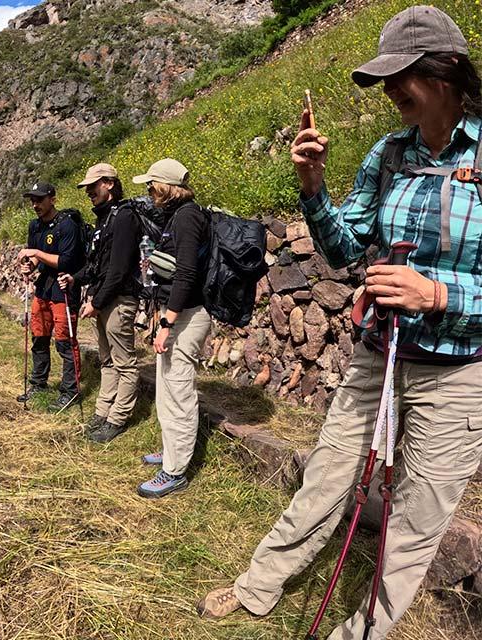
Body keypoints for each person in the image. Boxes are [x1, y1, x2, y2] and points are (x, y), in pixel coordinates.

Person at [198, 8, 482, 640]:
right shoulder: (387, 154)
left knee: (416, 517)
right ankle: (260, 585)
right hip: (378, 353)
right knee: (326, 475)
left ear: (445, 72)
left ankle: (361, 632)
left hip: (459, 370)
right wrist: (312, 186)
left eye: (399, 75)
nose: (388, 91)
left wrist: (437, 292)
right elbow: (346, 248)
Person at [129, 159, 213, 498]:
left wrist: (166, 322)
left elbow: (187, 274)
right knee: (166, 388)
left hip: (187, 315)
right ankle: (172, 451)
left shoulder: (188, 217)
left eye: (150, 186)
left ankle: (175, 471)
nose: (148, 193)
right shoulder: (177, 217)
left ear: (164, 187)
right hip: (177, 313)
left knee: (178, 391)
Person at [58, 163, 141, 443]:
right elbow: (96, 265)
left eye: (93, 186)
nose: (88, 192)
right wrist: (74, 278)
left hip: (118, 300)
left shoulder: (125, 217)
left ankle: (117, 418)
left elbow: (118, 269)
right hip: (104, 299)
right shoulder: (104, 219)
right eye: (87, 188)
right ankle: (102, 413)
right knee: (107, 361)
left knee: (124, 364)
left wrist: (96, 301)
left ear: (108, 183)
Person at [16, 181, 86, 411]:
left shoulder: (67, 226)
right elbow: (36, 257)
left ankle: (70, 391)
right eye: (32, 200)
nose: (35, 204)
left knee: (65, 341)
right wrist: (30, 266)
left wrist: (35, 253)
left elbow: (65, 261)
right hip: (43, 287)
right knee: (39, 335)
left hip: (64, 288)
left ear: (52, 199)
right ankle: (38, 383)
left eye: (40, 199)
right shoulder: (34, 226)